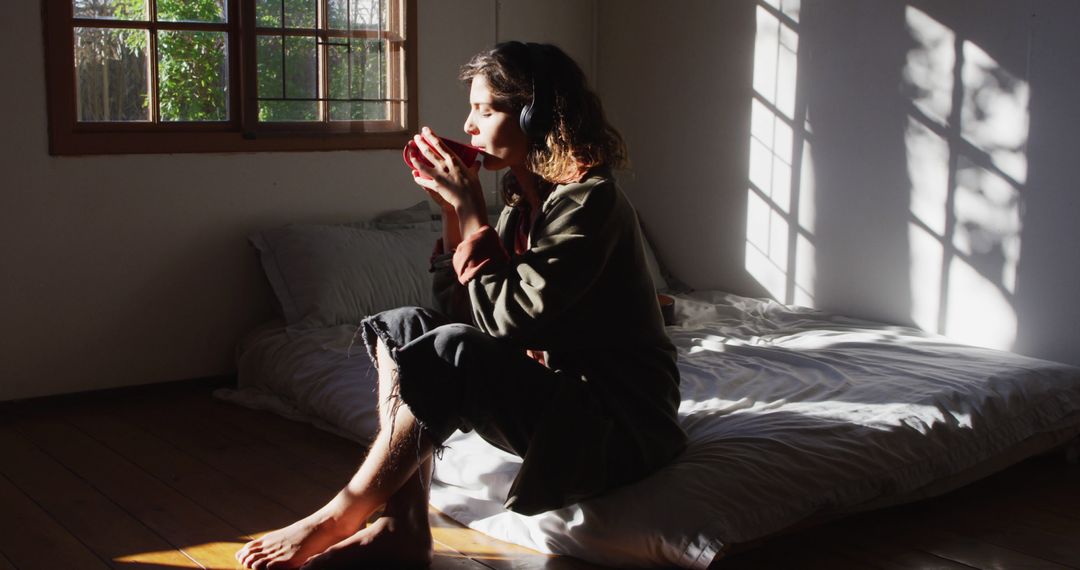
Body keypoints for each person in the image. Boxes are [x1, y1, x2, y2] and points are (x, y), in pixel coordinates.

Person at [236, 41, 686, 570]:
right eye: (472, 108)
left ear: (535, 116)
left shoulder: (592, 203)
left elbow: (508, 319)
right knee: (402, 327)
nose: (469, 125)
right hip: (566, 407)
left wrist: (473, 210)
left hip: (619, 426)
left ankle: (339, 514)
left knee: (451, 349)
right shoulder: (523, 208)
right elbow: (459, 315)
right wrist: (454, 217)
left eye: (486, 109)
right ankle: (400, 525)